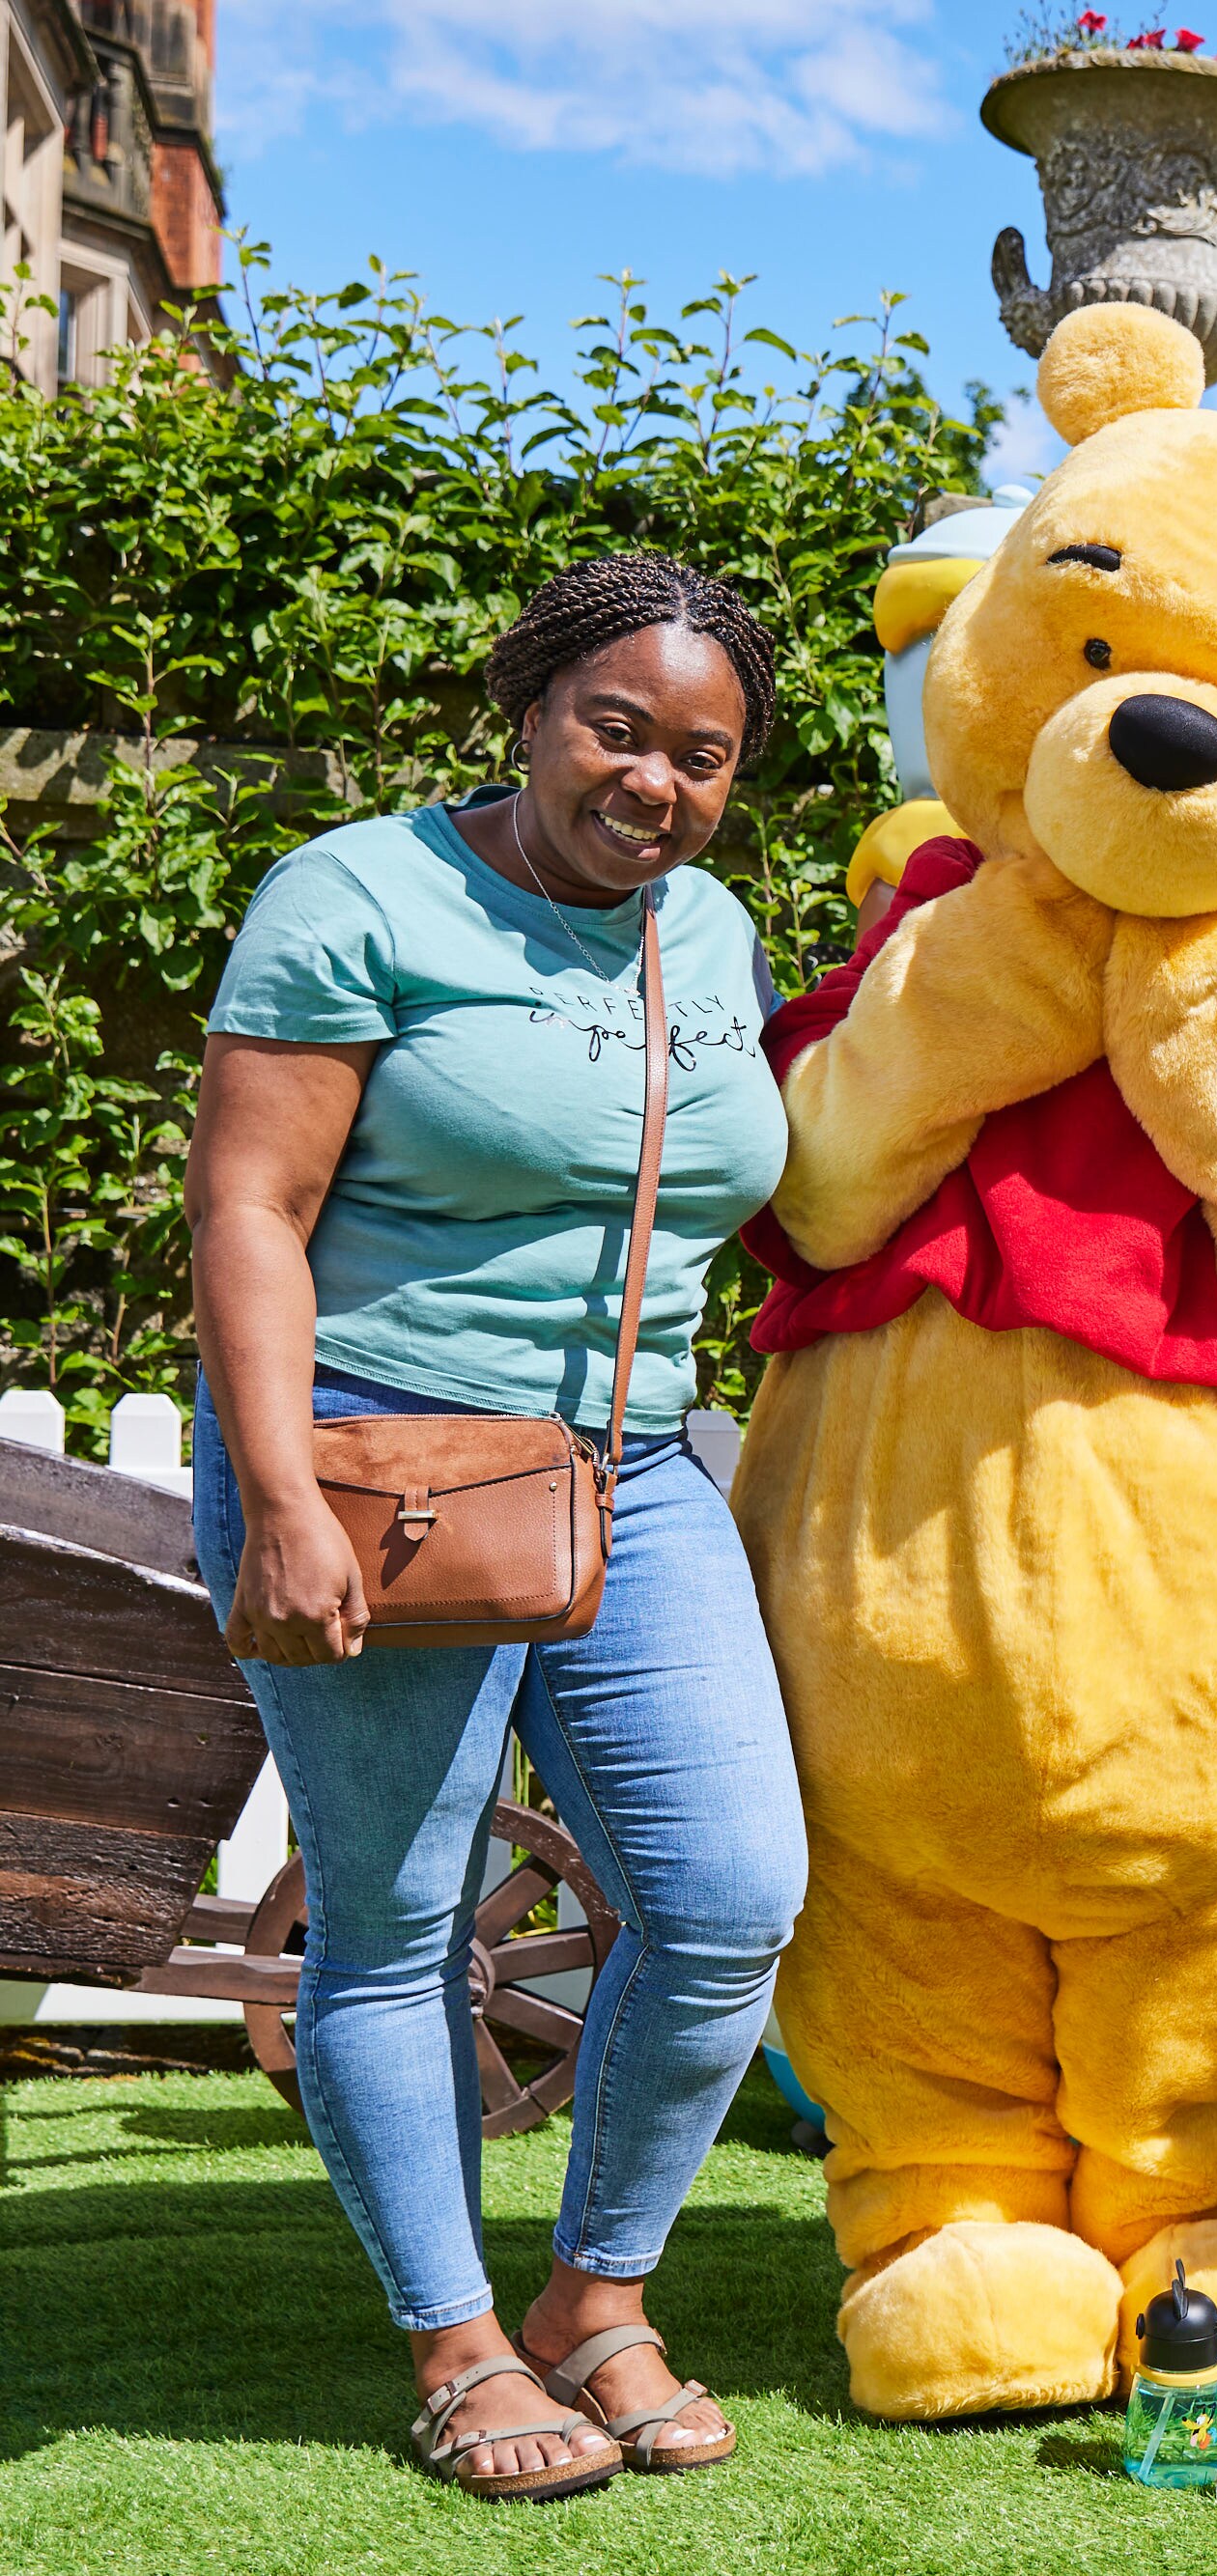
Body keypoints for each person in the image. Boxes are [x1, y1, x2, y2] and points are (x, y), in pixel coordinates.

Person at [184, 554, 807, 2501]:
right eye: (616, 728)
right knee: (397, 1918)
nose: (654, 783)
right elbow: (250, 1210)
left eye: (701, 756)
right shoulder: (356, 895)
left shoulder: (705, 929)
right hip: (377, 1461)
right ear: (532, 705)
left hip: (628, 1467)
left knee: (723, 1897)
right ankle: (457, 2337)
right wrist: (282, 1491)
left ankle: (590, 2295)